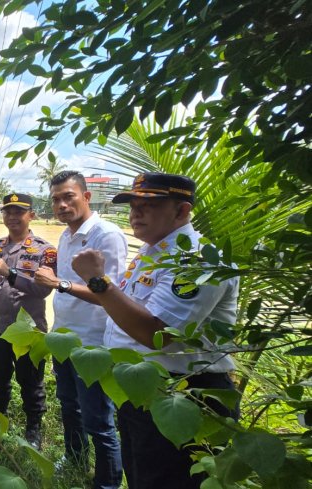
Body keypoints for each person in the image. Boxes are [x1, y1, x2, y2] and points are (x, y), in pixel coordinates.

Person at [71, 172, 239, 489]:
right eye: (133, 204)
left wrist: (98, 280)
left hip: (184, 394)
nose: (136, 213)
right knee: (140, 476)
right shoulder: (152, 253)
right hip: (146, 390)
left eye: (149, 205)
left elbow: (157, 334)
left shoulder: (196, 260)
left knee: (168, 480)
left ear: (181, 211)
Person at [33, 171, 126, 488]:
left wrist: (59, 283)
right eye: (56, 199)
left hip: (94, 345)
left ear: (86, 196)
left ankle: (107, 482)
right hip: (65, 340)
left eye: (68, 196)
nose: (61, 204)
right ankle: (74, 460)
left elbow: (110, 294)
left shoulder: (106, 235)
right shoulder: (65, 237)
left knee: (99, 421)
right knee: (70, 407)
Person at [0, 192, 57, 448]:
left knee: (31, 382)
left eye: (19, 212)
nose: (12, 217)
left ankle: (33, 429)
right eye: (8, 212)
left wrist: (10, 273)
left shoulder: (45, 250)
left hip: (30, 332)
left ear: (31, 215)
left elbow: (44, 290)